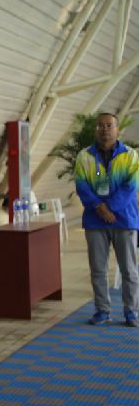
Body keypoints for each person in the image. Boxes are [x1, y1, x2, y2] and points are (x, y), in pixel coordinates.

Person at [74, 112, 139, 327]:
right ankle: (102, 311)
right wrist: (99, 207)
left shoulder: (130, 155)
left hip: (124, 220)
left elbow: (131, 186)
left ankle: (131, 312)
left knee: (129, 270)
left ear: (117, 129)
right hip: (95, 221)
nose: (105, 129)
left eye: (109, 125)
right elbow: (81, 185)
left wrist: (109, 208)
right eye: (101, 125)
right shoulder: (84, 156)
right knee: (98, 269)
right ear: (96, 129)